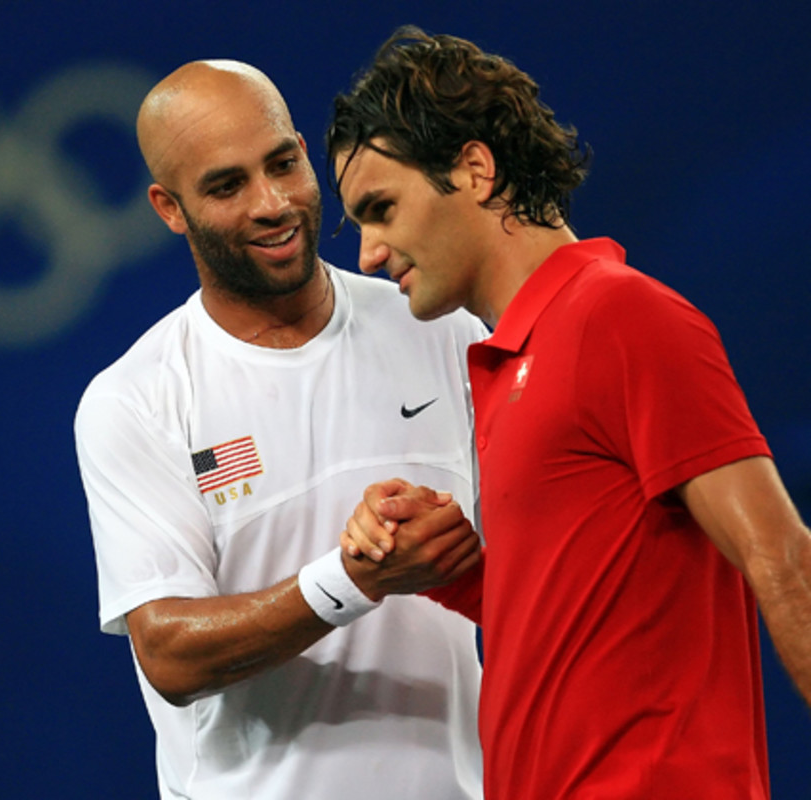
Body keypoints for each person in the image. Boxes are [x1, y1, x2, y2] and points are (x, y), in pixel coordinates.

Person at [327, 25, 811, 800]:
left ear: (475, 169)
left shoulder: (619, 315)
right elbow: (589, 615)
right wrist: (446, 565)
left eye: (381, 209)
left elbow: (782, 556)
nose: (370, 255)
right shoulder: (507, 364)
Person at [73, 59, 489, 799]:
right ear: (170, 208)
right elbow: (168, 654)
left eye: (283, 164)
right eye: (228, 186)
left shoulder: (443, 331)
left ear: (303, 149)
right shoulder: (136, 399)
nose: (273, 203)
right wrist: (353, 580)